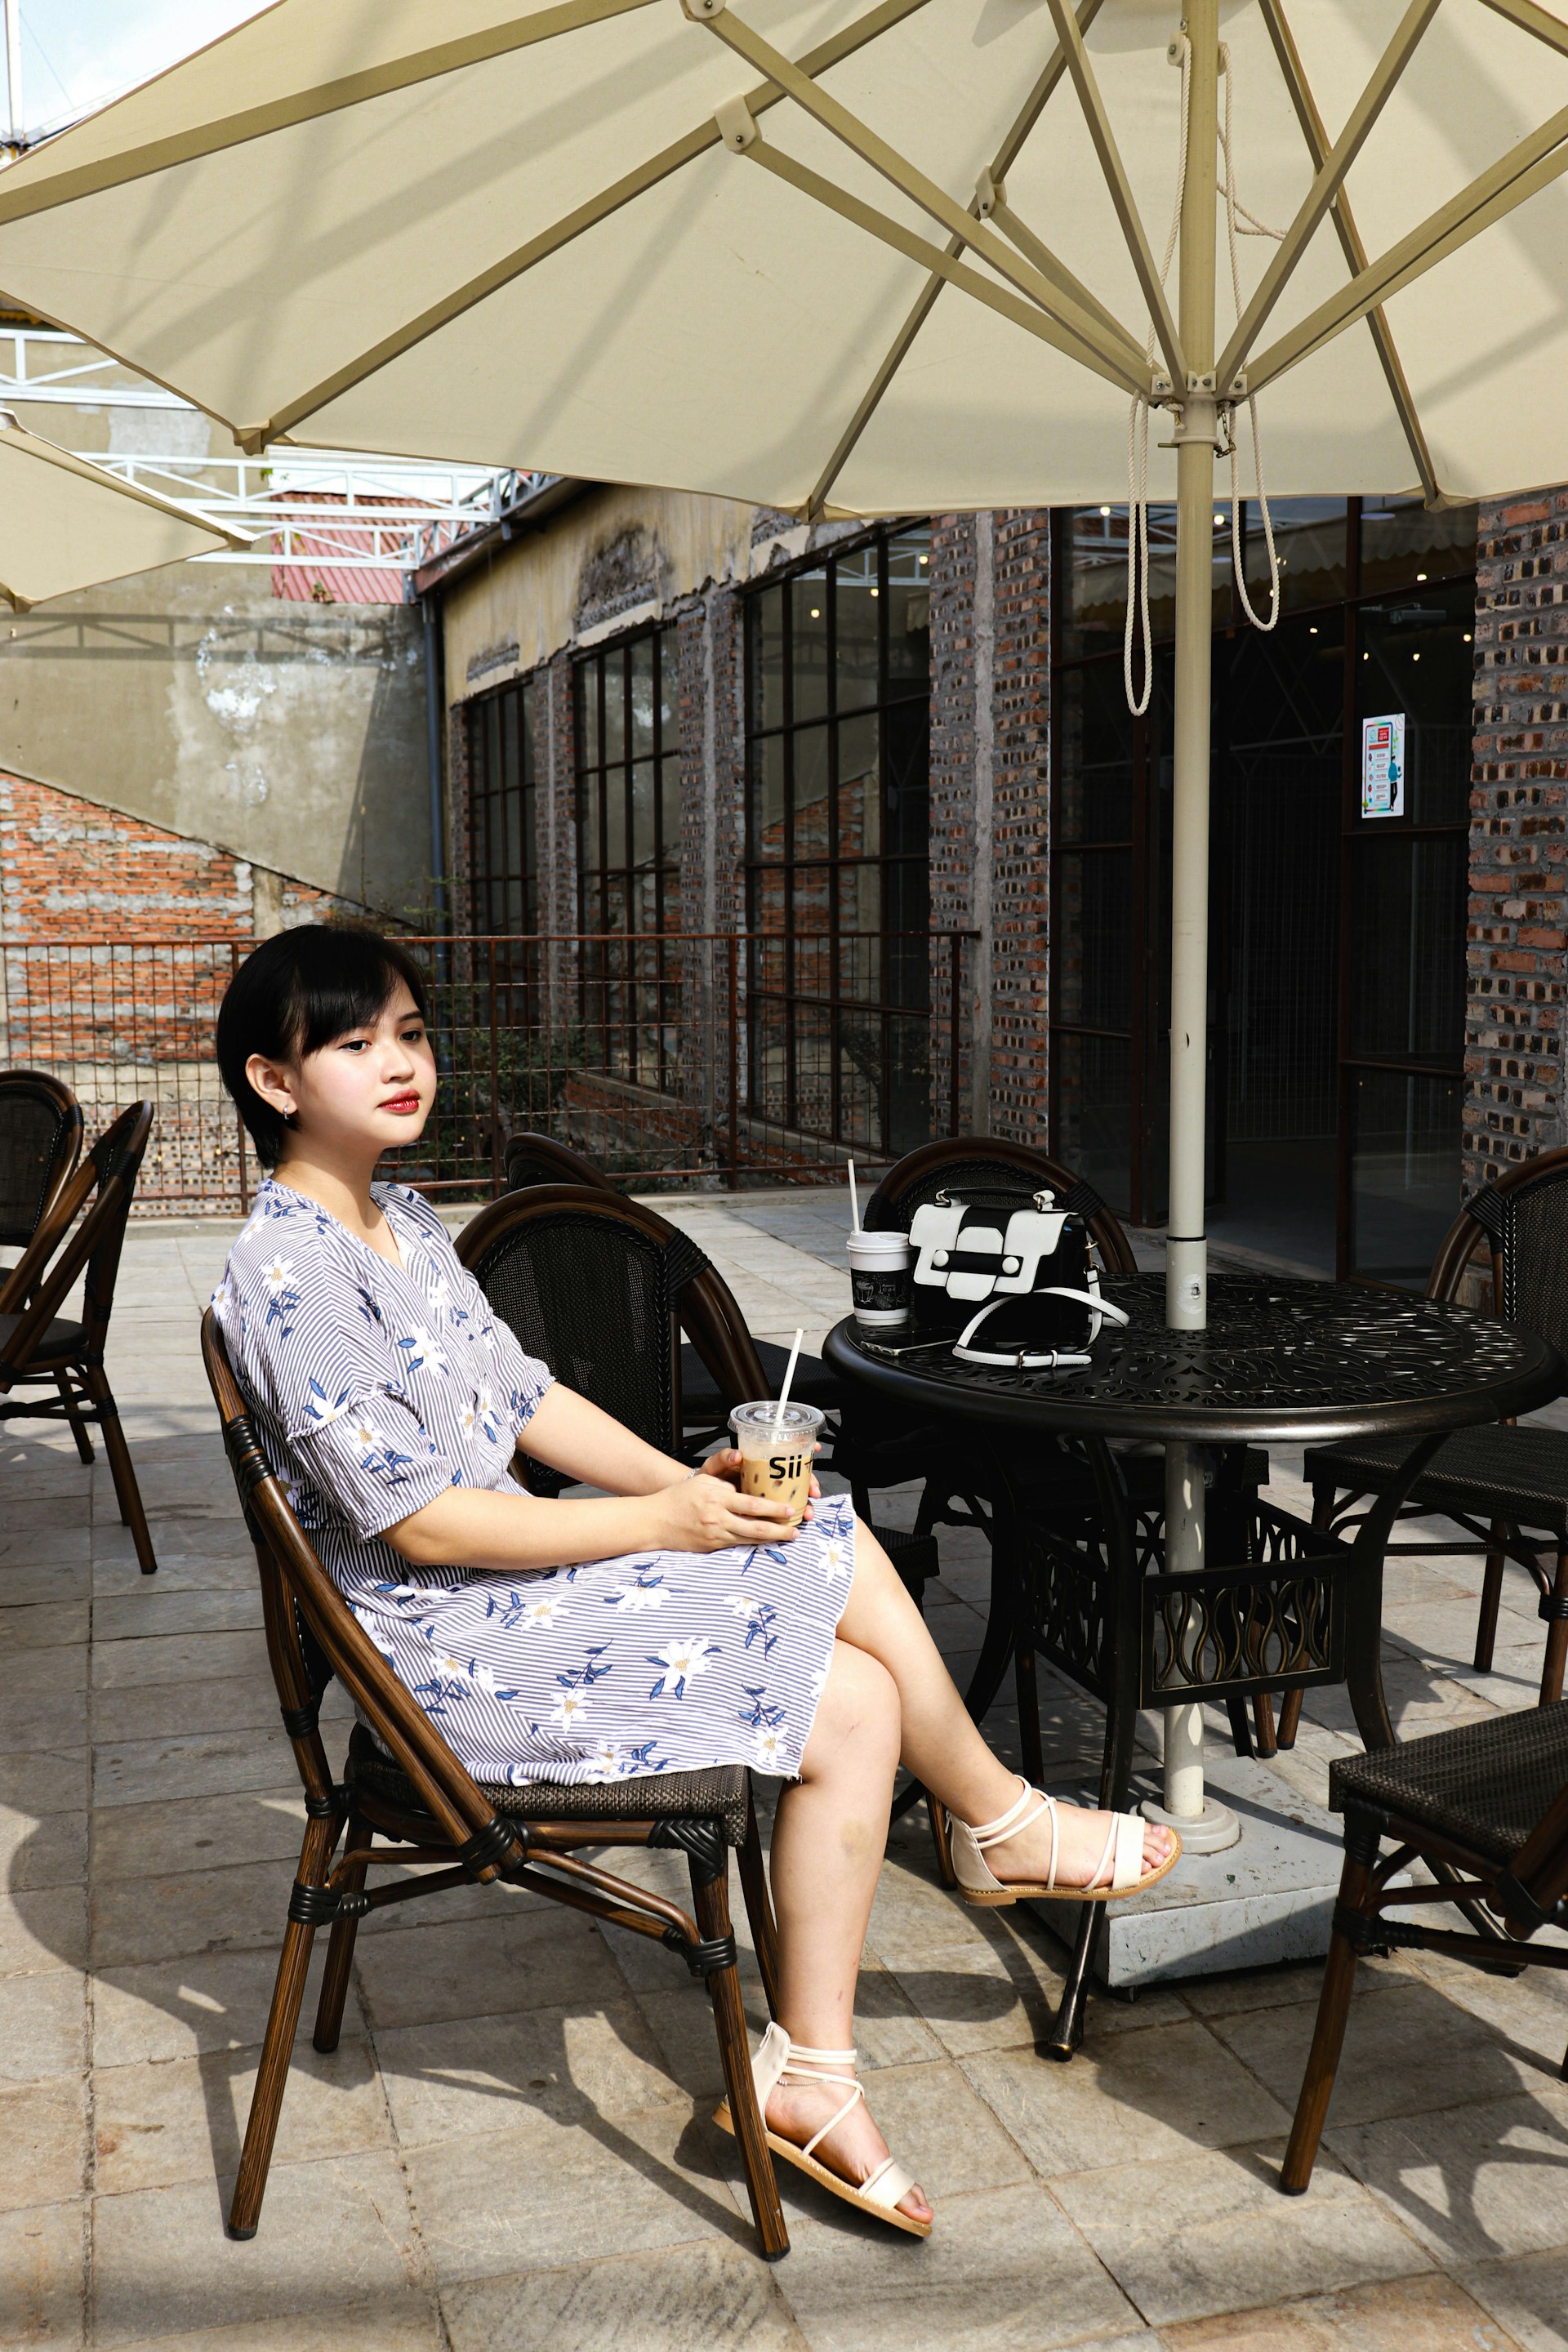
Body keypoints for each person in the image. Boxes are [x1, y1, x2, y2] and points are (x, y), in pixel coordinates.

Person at [212, 925, 1179, 2240]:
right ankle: (996, 1823)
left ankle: (811, 2073)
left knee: (845, 1682)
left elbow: (530, 1396)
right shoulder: (285, 1269)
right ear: (276, 1083)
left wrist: (682, 1489)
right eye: (354, 1042)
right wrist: (658, 1519)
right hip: (438, 1662)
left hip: (499, 1612)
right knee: (825, 1543)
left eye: (413, 1034)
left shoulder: (402, 1221)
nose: (401, 1064)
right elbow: (426, 1527)